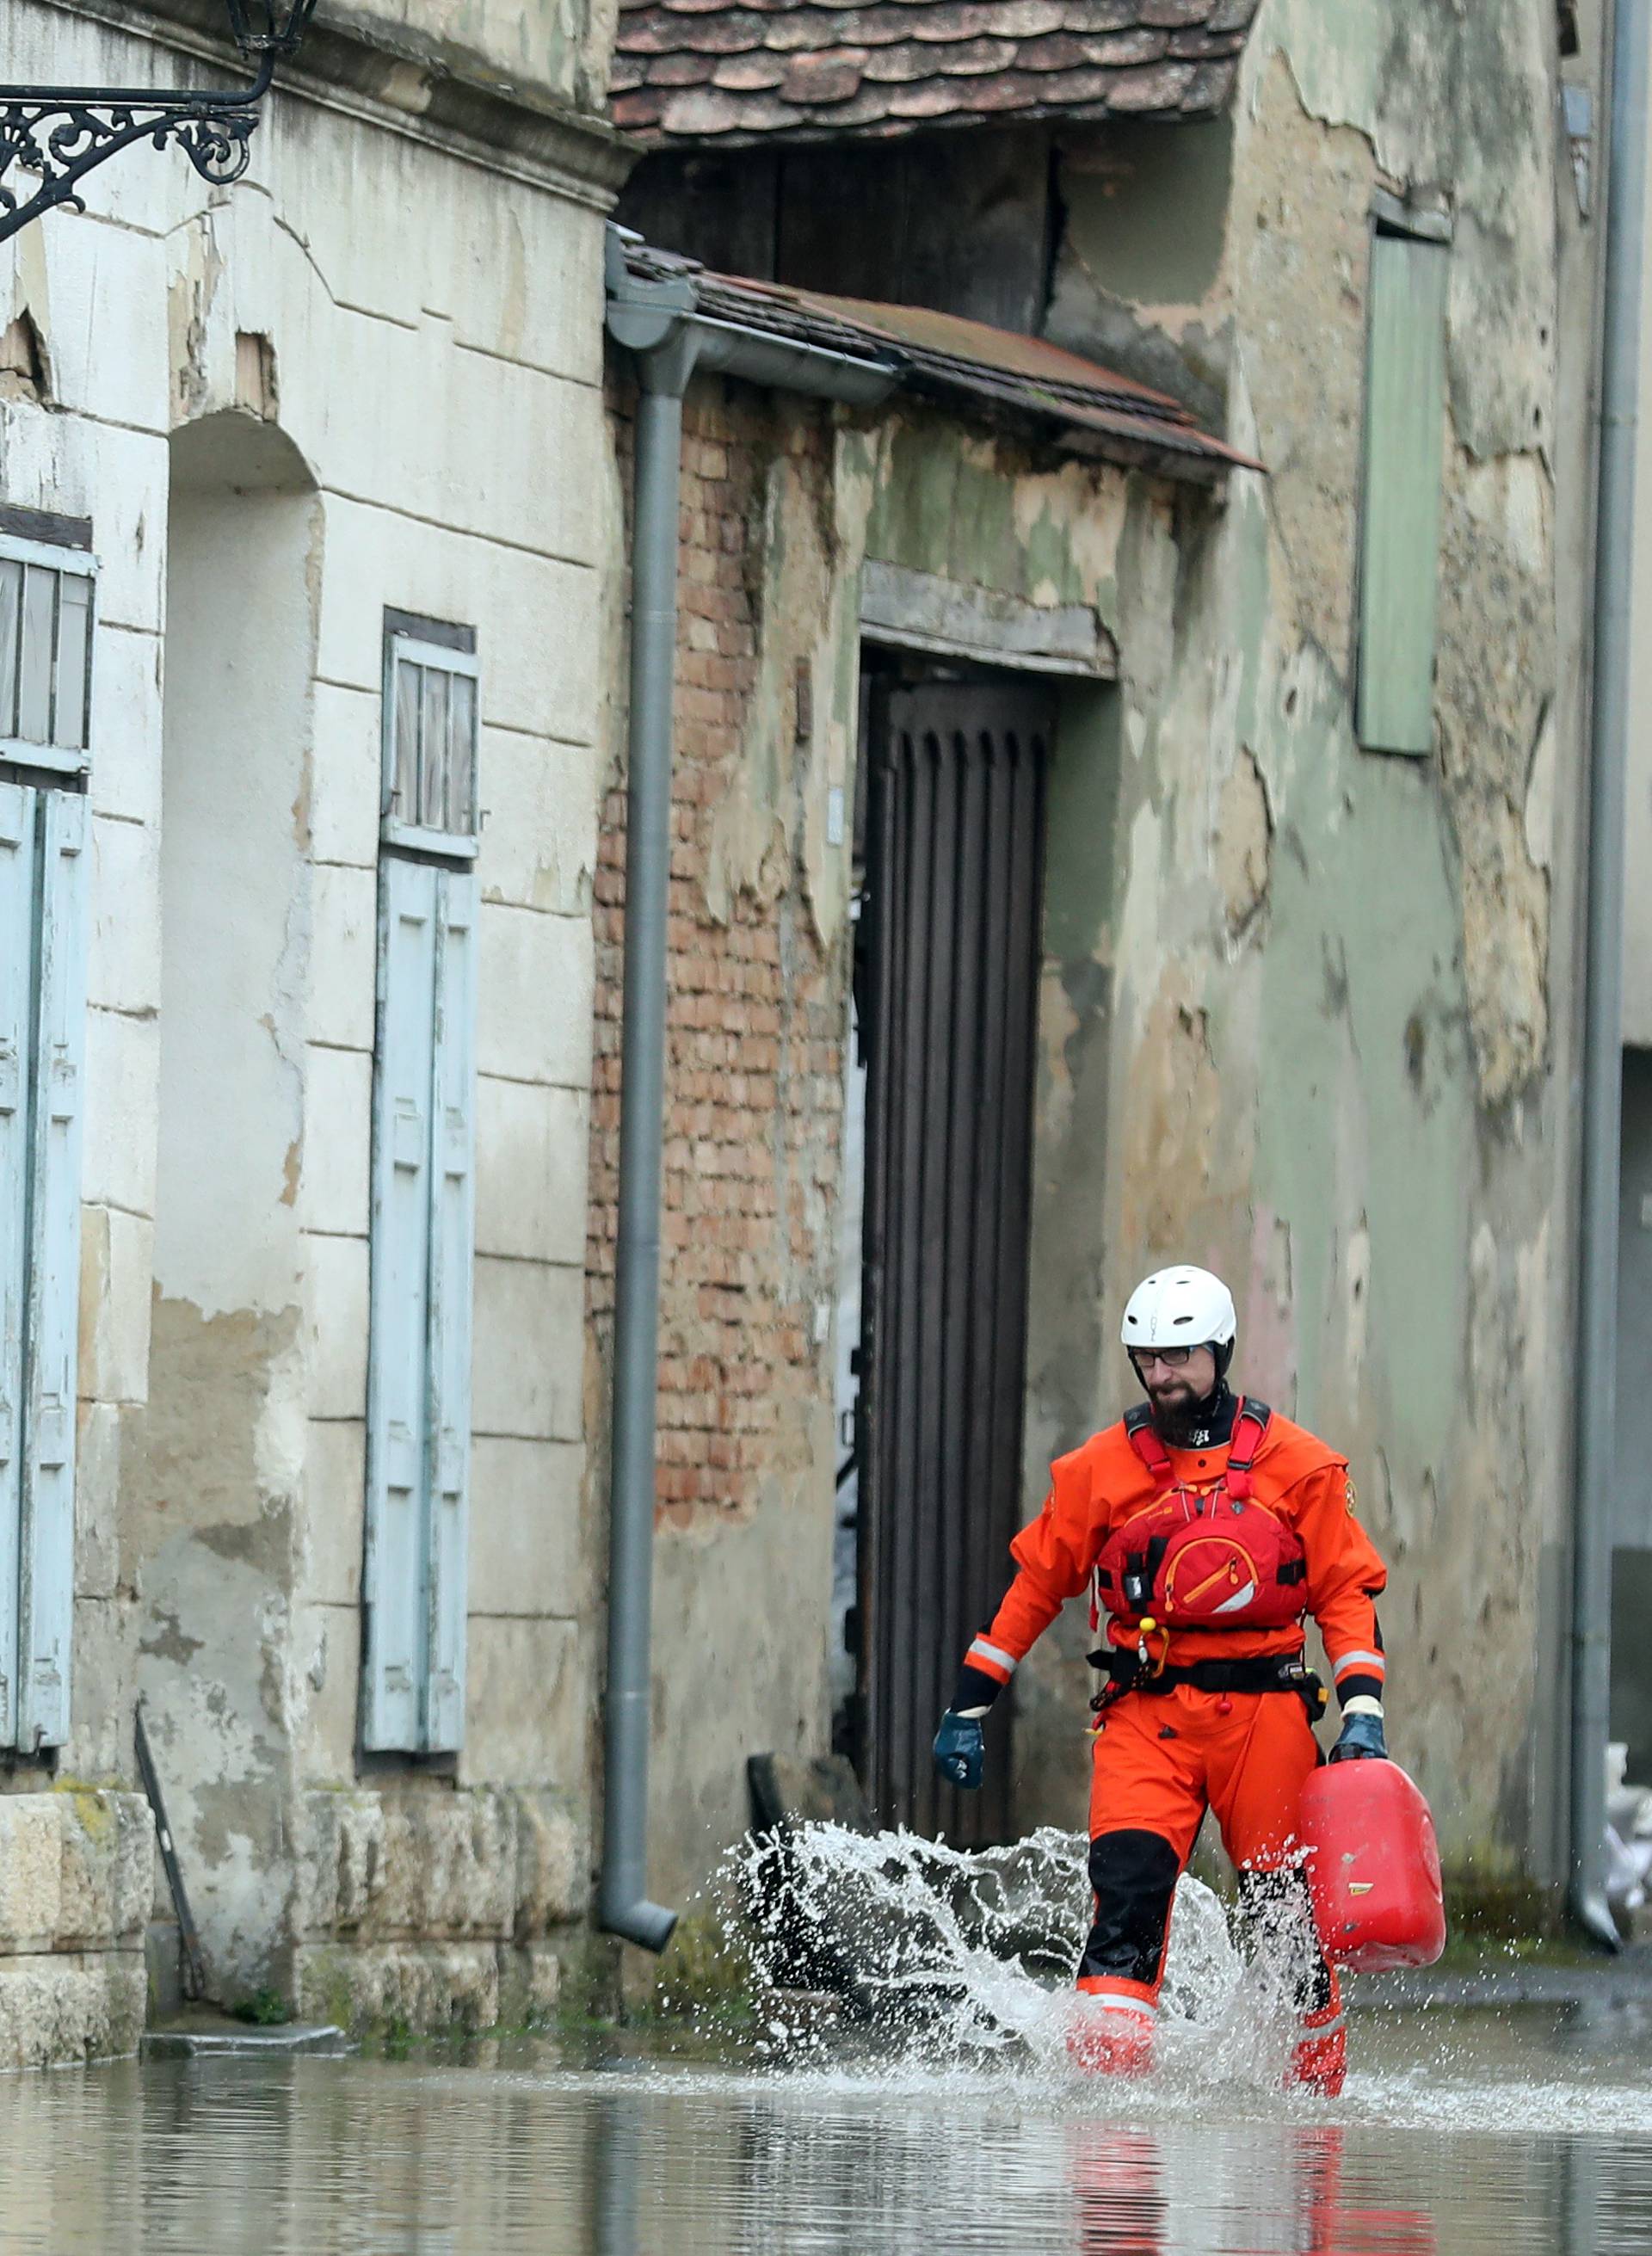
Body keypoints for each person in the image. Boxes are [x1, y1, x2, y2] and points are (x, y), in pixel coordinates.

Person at [932, 1264, 1390, 2094]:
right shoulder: (1097, 1473)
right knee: (1127, 1902)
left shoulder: (1304, 1469)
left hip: (1267, 1715)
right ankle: (1110, 2131)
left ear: (1220, 1352)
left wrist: (1362, 1713)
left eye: (1179, 1357)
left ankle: (1314, 2110)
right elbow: (1036, 1587)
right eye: (1147, 1358)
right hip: (1147, 1714)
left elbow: (1345, 1596)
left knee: (1284, 1924)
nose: (1161, 1374)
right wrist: (970, 1703)